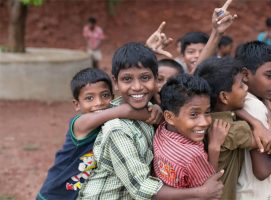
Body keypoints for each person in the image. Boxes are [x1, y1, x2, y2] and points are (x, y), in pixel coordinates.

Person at [77, 42, 224, 200]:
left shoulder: (151, 110)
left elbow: (187, 90)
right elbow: (142, 189)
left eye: (145, 78)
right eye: (127, 79)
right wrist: (199, 193)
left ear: (156, 79)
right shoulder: (117, 130)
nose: (137, 86)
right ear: (115, 82)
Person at [37, 68, 162, 200]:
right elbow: (126, 110)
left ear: (112, 98)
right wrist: (155, 111)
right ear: (77, 105)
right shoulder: (81, 123)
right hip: (54, 194)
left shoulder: (111, 123)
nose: (99, 103)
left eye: (105, 95)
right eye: (89, 98)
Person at [194, 57, 271, 200]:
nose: (246, 88)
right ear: (224, 97)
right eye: (241, 86)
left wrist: (255, 122)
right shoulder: (232, 129)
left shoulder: (209, 120)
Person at [153, 73, 230, 188]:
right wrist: (214, 148)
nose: (204, 122)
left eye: (207, 112)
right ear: (169, 117)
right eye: (194, 114)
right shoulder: (192, 156)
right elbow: (209, 191)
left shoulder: (162, 128)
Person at [235, 41, 271, 200]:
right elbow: (262, 171)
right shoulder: (254, 107)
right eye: (269, 75)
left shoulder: (245, 101)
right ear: (245, 75)